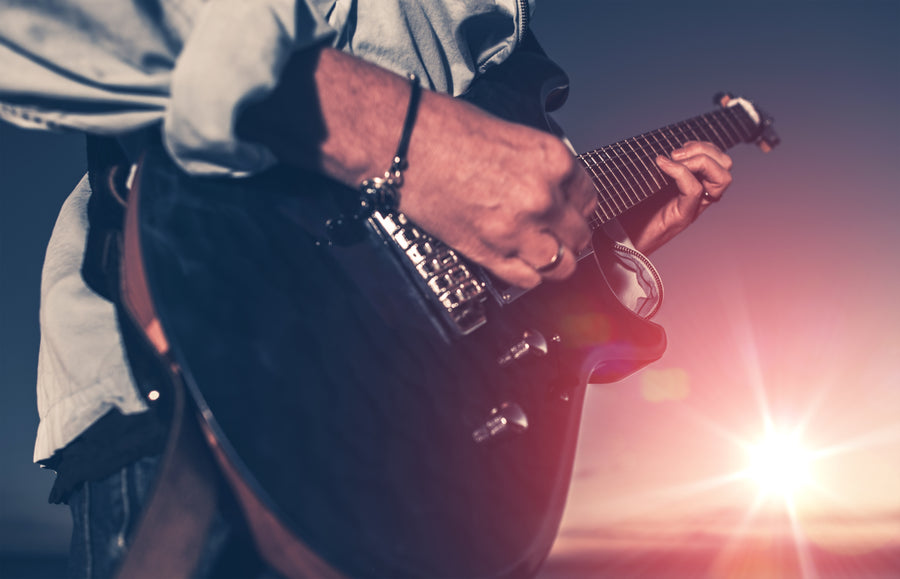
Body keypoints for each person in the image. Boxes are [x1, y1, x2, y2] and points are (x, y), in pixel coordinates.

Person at [0, 1, 733, 576]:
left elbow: (456, 258)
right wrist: (400, 135)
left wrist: (604, 252)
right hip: (214, 366)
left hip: (436, 453)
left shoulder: (512, 42)